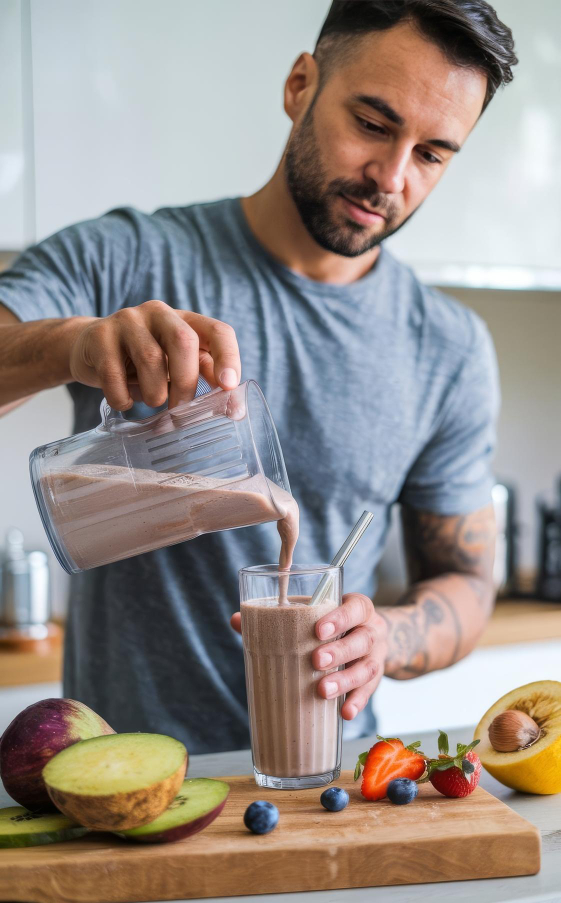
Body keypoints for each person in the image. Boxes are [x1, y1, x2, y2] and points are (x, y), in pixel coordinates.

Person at [0, 1, 517, 751]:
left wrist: (389, 637)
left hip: (324, 792)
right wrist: (75, 347)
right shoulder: (127, 257)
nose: (390, 177)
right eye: (372, 123)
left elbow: (465, 584)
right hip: (122, 786)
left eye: (432, 153)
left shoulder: (448, 347)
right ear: (300, 86)